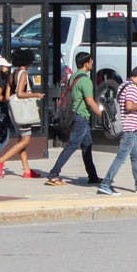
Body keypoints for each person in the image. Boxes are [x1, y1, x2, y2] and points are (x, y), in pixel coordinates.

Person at [46, 52, 102, 186]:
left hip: (76, 114)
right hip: (81, 116)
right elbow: (89, 101)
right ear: (86, 63)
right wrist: (102, 115)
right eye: (91, 61)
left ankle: (92, 176)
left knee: (87, 145)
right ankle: (54, 173)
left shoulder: (74, 77)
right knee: (72, 145)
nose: (92, 64)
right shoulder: (85, 80)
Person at [97, 66, 137, 195]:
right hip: (129, 129)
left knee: (136, 158)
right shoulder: (132, 88)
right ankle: (106, 183)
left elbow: (126, 107)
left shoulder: (123, 85)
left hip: (131, 128)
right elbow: (129, 107)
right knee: (121, 157)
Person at [0, 49, 44, 178]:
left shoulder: (12, 74)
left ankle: (27, 170)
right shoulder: (23, 73)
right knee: (25, 140)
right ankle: (0, 161)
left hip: (14, 111)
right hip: (23, 112)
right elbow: (20, 93)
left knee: (21, 139)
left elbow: (8, 95)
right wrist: (35, 94)